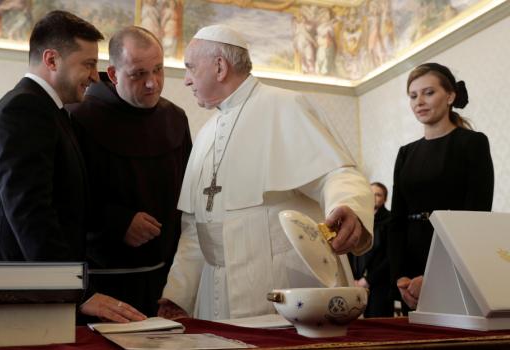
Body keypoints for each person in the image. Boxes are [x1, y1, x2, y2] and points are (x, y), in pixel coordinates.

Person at [157, 24, 374, 321]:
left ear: (220, 67)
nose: (186, 80)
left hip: (282, 282)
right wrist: (178, 295)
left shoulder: (285, 105)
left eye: (190, 68)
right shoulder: (206, 133)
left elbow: (337, 174)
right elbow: (195, 228)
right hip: (214, 293)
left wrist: (347, 206)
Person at [0, 10, 145, 323]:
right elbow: (30, 212)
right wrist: (76, 290)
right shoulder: (25, 109)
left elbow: (67, 199)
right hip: (18, 291)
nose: (96, 77)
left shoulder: (51, 111)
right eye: (89, 64)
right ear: (52, 60)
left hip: (34, 286)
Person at [68, 26, 192, 317]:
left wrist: (180, 284)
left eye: (159, 70)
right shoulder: (79, 116)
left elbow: (186, 198)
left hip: (161, 280)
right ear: (112, 74)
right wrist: (116, 221)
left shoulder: (174, 119)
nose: (153, 84)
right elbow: (63, 197)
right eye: (139, 74)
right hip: (98, 281)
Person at [389, 62, 494, 314]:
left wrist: (436, 277)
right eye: (413, 96)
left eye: (428, 92)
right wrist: (399, 277)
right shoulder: (405, 153)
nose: (419, 102)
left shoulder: (473, 143)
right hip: (409, 267)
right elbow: (396, 219)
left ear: (450, 96)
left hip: (454, 261)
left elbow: (475, 218)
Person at [349, 182, 393, 317]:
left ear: (385, 199)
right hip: (357, 283)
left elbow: (390, 257)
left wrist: (368, 280)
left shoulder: (390, 220)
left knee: (378, 325)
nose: (374, 198)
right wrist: (353, 279)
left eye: (378, 195)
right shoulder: (359, 219)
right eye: (371, 194)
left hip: (380, 284)